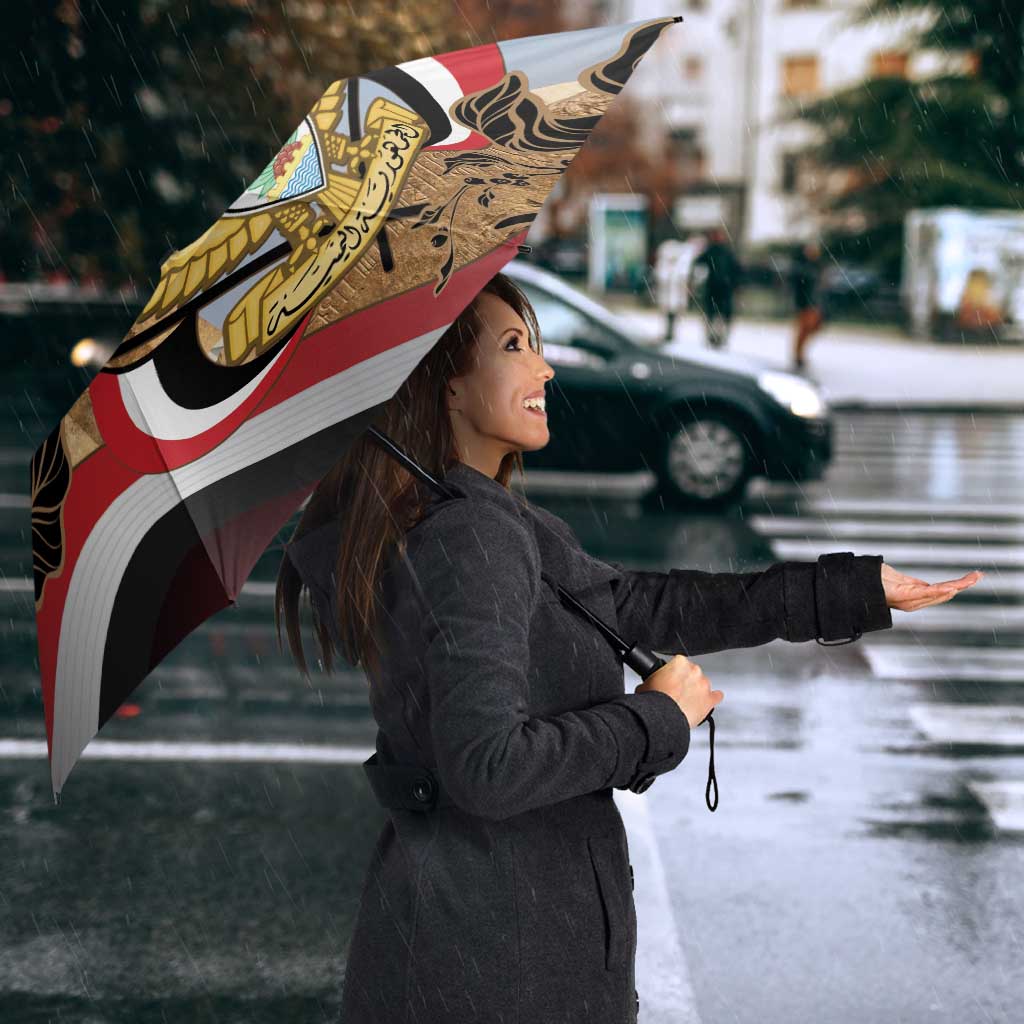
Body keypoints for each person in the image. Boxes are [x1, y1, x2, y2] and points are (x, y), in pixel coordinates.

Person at [276, 272, 981, 1024]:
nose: (544, 368)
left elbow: (644, 605)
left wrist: (849, 590)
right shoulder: (469, 536)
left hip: (482, 944)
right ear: (446, 388)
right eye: (514, 347)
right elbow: (487, 767)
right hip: (496, 962)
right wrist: (655, 719)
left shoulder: (481, 519)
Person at [692, 226, 742, 349]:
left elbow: (736, 270)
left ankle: (719, 337)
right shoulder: (712, 251)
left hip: (723, 288)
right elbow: (698, 264)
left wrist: (735, 284)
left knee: (720, 315)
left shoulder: (725, 252)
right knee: (713, 314)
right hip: (715, 288)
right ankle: (713, 337)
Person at [790, 239, 826, 371]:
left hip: (814, 303)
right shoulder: (802, 267)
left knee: (812, 328)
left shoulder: (817, 266)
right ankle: (798, 355)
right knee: (804, 329)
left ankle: (800, 354)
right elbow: (799, 286)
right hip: (805, 303)